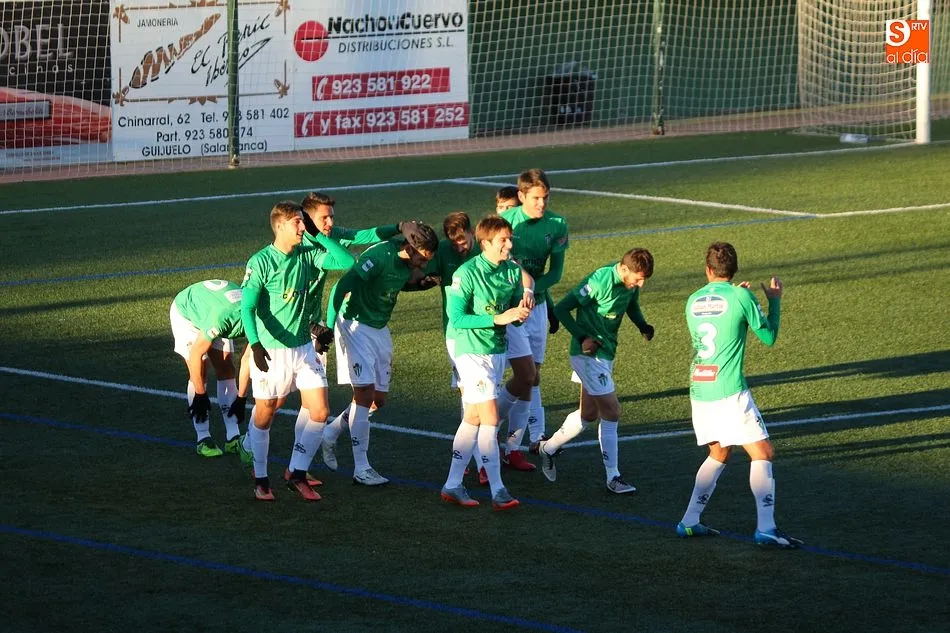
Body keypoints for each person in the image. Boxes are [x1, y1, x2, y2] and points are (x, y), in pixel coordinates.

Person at [675, 241, 803, 548]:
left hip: (699, 385)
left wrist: (739, 298)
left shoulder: (692, 300)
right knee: (763, 453)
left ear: (707, 270)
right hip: (729, 389)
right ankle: (767, 528)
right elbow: (768, 336)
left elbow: (720, 316)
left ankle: (689, 522)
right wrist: (773, 301)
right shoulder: (741, 295)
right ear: (734, 269)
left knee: (719, 452)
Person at [237, 200, 356, 501]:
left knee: (320, 411)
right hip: (272, 352)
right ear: (279, 226)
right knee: (264, 414)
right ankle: (261, 479)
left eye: (304, 222)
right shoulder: (261, 261)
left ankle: (297, 473)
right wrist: (255, 343)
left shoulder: (308, 254)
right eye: (297, 223)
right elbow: (248, 307)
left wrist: (321, 235)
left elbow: (347, 262)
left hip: (304, 347)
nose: (304, 227)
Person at [320, 221, 439, 485]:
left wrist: (419, 285)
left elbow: (396, 283)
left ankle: (330, 433)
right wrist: (327, 327)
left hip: (379, 326)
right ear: (410, 247)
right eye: (422, 258)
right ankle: (361, 468)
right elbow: (342, 287)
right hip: (355, 324)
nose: (423, 264)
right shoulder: (378, 256)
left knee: (378, 400)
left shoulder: (406, 263)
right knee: (363, 393)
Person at [537, 249, 655, 493]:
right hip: (588, 356)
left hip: (606, 353)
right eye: (638, 278)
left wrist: (642, 325)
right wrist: (582, 337)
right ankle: (613, 477)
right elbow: (561, 308)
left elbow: (631, 304)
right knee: (612, 411)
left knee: (588, 414)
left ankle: (547, 449)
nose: (640, 284)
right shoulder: (598, 282)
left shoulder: (629, 284)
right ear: (624, 269)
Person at [440, 215, 530, 510]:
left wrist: (519, 312)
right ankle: (498, 490)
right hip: (470, 352)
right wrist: (497, 318)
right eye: (503, 240)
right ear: (485, 244)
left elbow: (514, 306)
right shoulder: (466, 274)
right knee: (490, 419)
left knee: (474, 419)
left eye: (510, 238)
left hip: (496, 350)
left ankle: (452, 484)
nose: (509, 244)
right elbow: (457, 318)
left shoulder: (511, 272)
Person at [497, 169, 569, 468]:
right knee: (525, 375)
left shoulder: (558, 224)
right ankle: (487, 427)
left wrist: (532, 290)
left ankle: (512, 446)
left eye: (545, 197)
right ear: (522, 196)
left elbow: (556, 272)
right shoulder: (506, 224)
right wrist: (518, 294)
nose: (541, 203)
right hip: (511, 311)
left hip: (535, 307)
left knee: (532, 378)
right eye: (536, 198)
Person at [169, 279, 247, 457]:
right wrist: (201, 395)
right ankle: (203, 438)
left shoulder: (259, 318)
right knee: (201, 371)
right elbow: (196, 353)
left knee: (227, 368)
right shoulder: (223, 318)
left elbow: (248, 358)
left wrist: (242, 397)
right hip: (188, 315)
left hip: (218, 309)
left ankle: (233, 437)